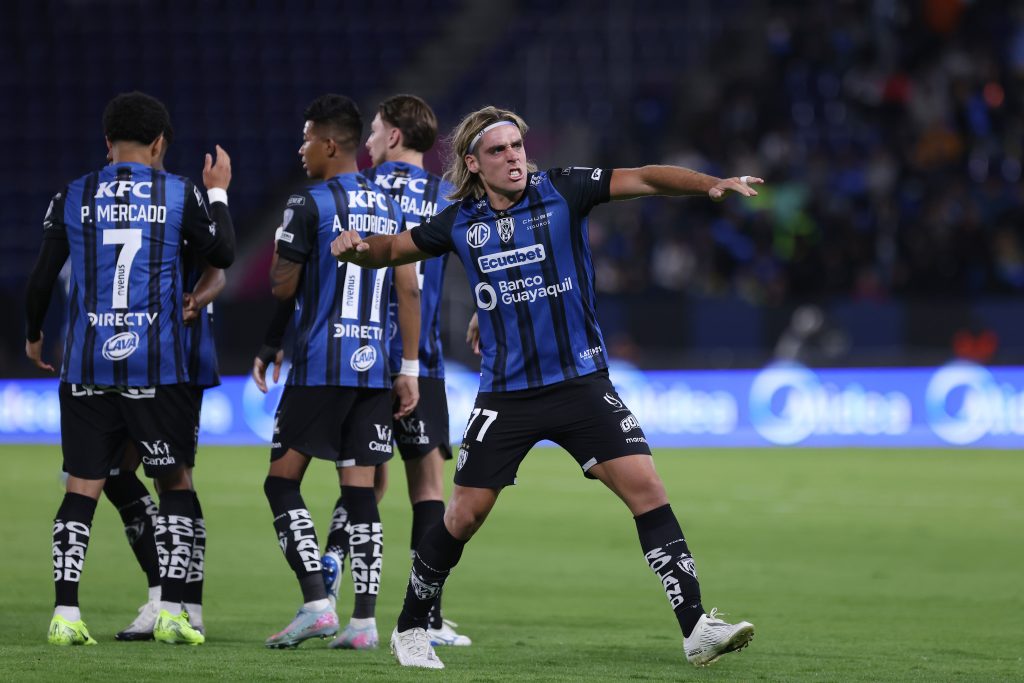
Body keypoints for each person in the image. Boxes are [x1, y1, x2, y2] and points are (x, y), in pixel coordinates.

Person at [330, 106, 762, 670]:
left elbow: (646, 177)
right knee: (461, 517)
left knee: (647, 489)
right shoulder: (459, 220)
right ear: (472, 163)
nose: (514, 157)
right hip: (507, 396)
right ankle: (410, 628)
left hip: (581, 384)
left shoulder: (564, 189)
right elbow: (392, 251)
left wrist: (710, 185)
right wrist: (357, 247)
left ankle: (697, 628)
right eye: (499, 151)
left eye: (517, 146)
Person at [255, 94, 471, 649]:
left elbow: (287, 280)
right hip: (400, 365)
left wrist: (275, 331)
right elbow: (427, 277)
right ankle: (396, 618)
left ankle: (322, 581)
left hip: (329, 360)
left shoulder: (327, 196)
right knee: (406, 484)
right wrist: (420, 358)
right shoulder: (432, 197)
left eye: (378, 129)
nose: (372, 139)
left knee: (329, 484)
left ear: (392, 136)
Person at [25, 91, 235, 646]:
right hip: (157, 364)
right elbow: (225, 253)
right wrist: (217, 192)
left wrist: (32, 336)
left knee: (81, 487)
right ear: (161, 142)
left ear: (107, 142)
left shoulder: (72, 194)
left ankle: (65, 614)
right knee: (174, 480)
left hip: (87, 362)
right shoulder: (178, 192)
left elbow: (42, 279)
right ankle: (173, 608)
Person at [106, 123, 231, 641]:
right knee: (114, 473)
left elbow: (219, 268)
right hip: (122, 358)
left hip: (177, 359)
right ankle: (165, 593)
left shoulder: (185, 198)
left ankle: (179, 602)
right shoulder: (109, 204)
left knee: (171, 476)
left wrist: (196, 300)